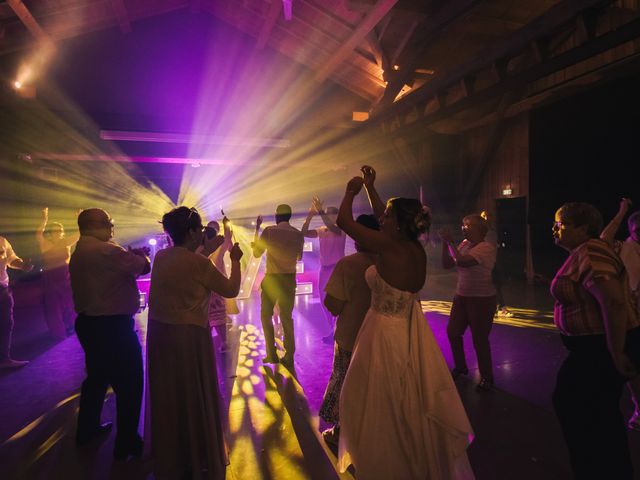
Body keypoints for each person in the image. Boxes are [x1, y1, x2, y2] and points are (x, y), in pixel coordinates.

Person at [336, 165, 474, 479]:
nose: (381, 218)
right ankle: (412, 458)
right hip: (408, 331)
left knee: (373, 401)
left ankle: (387, 463)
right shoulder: (414, 249)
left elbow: (344, 221)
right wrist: (372, 187)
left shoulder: (389, 247)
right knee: (407, 400)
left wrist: (350, 191)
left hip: (383, 334)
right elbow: (388, 217)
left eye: (386, 217)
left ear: (397, 225)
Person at [147, 206, 242, 479]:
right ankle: (198, 452)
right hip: (188, 336)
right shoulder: (200, 264)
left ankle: (175, 452)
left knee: (170, 394)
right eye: (199, 229)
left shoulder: (162, 257)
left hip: (160, 334)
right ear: (190, 232)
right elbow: (231, 290)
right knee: (193, 392)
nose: (202, 233)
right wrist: (235, 260)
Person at [550, 202, 640, 479]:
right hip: (592, 349)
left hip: (598, 350)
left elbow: (612, 302)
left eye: (561, 224)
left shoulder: (591, 249)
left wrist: (615, 351)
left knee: (592, 420)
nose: (554, 228)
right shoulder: (585, 251)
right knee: (593, 417)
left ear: (583, 228)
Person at [69, 208, 150, 459]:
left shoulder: (80, 250)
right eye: (107, 223)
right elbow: (143, 267)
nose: (111, 227)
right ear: (93, 225)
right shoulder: (107, 250)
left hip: (90, 324)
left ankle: (87, 430)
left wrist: (128, 255)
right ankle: (126, 443)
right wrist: (138, 257)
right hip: (113, 327)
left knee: (97, 378)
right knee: (130, 383)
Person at [318, 214, 379, 447]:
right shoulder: (388, 263)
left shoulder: (349, 264)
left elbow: (333, 305)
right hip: (379, 338)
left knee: (346, 383)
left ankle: (343, 431)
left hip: (351, 336)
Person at [439, 214, 497, 391]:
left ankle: (487, 377)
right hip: (462, 296)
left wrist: (450, 242)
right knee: (453, 332)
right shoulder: (464, 244)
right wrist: (444, 243)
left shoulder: (486, 247)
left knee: (479, 339)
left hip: (482, 299)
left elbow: (463, 262)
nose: (463, 228)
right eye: (463, 224)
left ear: (480, 229)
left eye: (468, 225)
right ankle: (461, 366)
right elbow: (447, 264)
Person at [600, 197, 640, 431]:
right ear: (631, 230)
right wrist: (622, 211)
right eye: (638, 229)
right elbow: (604, 239)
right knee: (633, 365)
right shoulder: (623, 247)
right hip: (632, 313)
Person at [252, 204, 304, 367]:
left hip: (272, 279)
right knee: (287, 317)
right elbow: (299, 257)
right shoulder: (297, 234)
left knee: (265, 315)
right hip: (289, 279)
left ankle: (271, 353)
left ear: (276, 216)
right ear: (289, 216)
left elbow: (256, 253)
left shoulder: (269, 231)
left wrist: (257, 229)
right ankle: (289, 355)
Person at [301, 197, 346, 343]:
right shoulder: (322, 230)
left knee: (336, 300)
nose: (327, 216)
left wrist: (320, 211)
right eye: (326, 214)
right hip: (324, 269)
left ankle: (338, 331)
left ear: (336, 216)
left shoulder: (340, 229)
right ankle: (333, 331)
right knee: (323, 301)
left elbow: (330, 225)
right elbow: (304, 232)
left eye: (330, 214)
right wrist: (310, 215)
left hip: (336, 269)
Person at [36, 207, 79, 339]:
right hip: (50, 277)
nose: (57, 233)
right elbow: (38, 233)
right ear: (50, 233)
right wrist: (44, 220)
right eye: (54, 231)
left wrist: (79, 219)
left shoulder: (66, 242)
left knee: (70, 304)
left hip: (65, 276)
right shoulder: (46, 244)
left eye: (59, 231)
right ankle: (58, 332)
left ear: (62, 232)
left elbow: (80, 233)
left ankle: (73, 327)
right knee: (53, 306)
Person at [200, 217, 238, 353]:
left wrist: (227, 228)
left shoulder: (203, 245)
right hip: (214, 279)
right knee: (215, 312)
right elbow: (229, 242)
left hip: (210, 280)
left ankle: (215, 342)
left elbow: (229, 243)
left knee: (210, 312)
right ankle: (222, 342)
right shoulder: (216, 243)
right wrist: (227, 226)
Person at [0, 235, 33, 369]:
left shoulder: (2, 240)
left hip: (2, 289)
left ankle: (3, 359)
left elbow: (11, 259)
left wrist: (22, 265)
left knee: (6, 324)